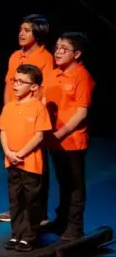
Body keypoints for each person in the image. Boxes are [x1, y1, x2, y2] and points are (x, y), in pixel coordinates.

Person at [0, 14, 53, 223]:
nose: (21, 33)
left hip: (33, 116)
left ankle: (38, 213)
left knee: (35, 167)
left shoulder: (45, 58)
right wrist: (8, 110)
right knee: (14, 166)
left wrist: (32, 112)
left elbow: (44, 91)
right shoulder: (14, 57)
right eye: (20, 29)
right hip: (14, 114)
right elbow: (7, 85)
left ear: (38, 34)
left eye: (27, 30)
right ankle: (16, 209)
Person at [42, 32, 95, 241]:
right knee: (62, 182)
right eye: (57, 47)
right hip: (53, 140)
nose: (58, 52)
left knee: (74, 185)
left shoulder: (82, 76)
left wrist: (59, 134)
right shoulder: (52, 75)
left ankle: (75, 227)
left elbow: (81, 113)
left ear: (77, 54)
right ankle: (61, 220)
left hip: (72, 141)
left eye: (64, 49)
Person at [0, 64, 52, 251]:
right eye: (15, 81)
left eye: (21, 82)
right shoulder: (9, 106)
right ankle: (16, 234)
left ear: (34, 87)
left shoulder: (38, 108)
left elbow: (39, 135)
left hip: (30, 163)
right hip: (11, 161)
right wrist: (9, 153)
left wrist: (21, 153)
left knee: (31, 201)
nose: (15, 85)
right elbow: (2, 131)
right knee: (15, 200)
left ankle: (29, 236)